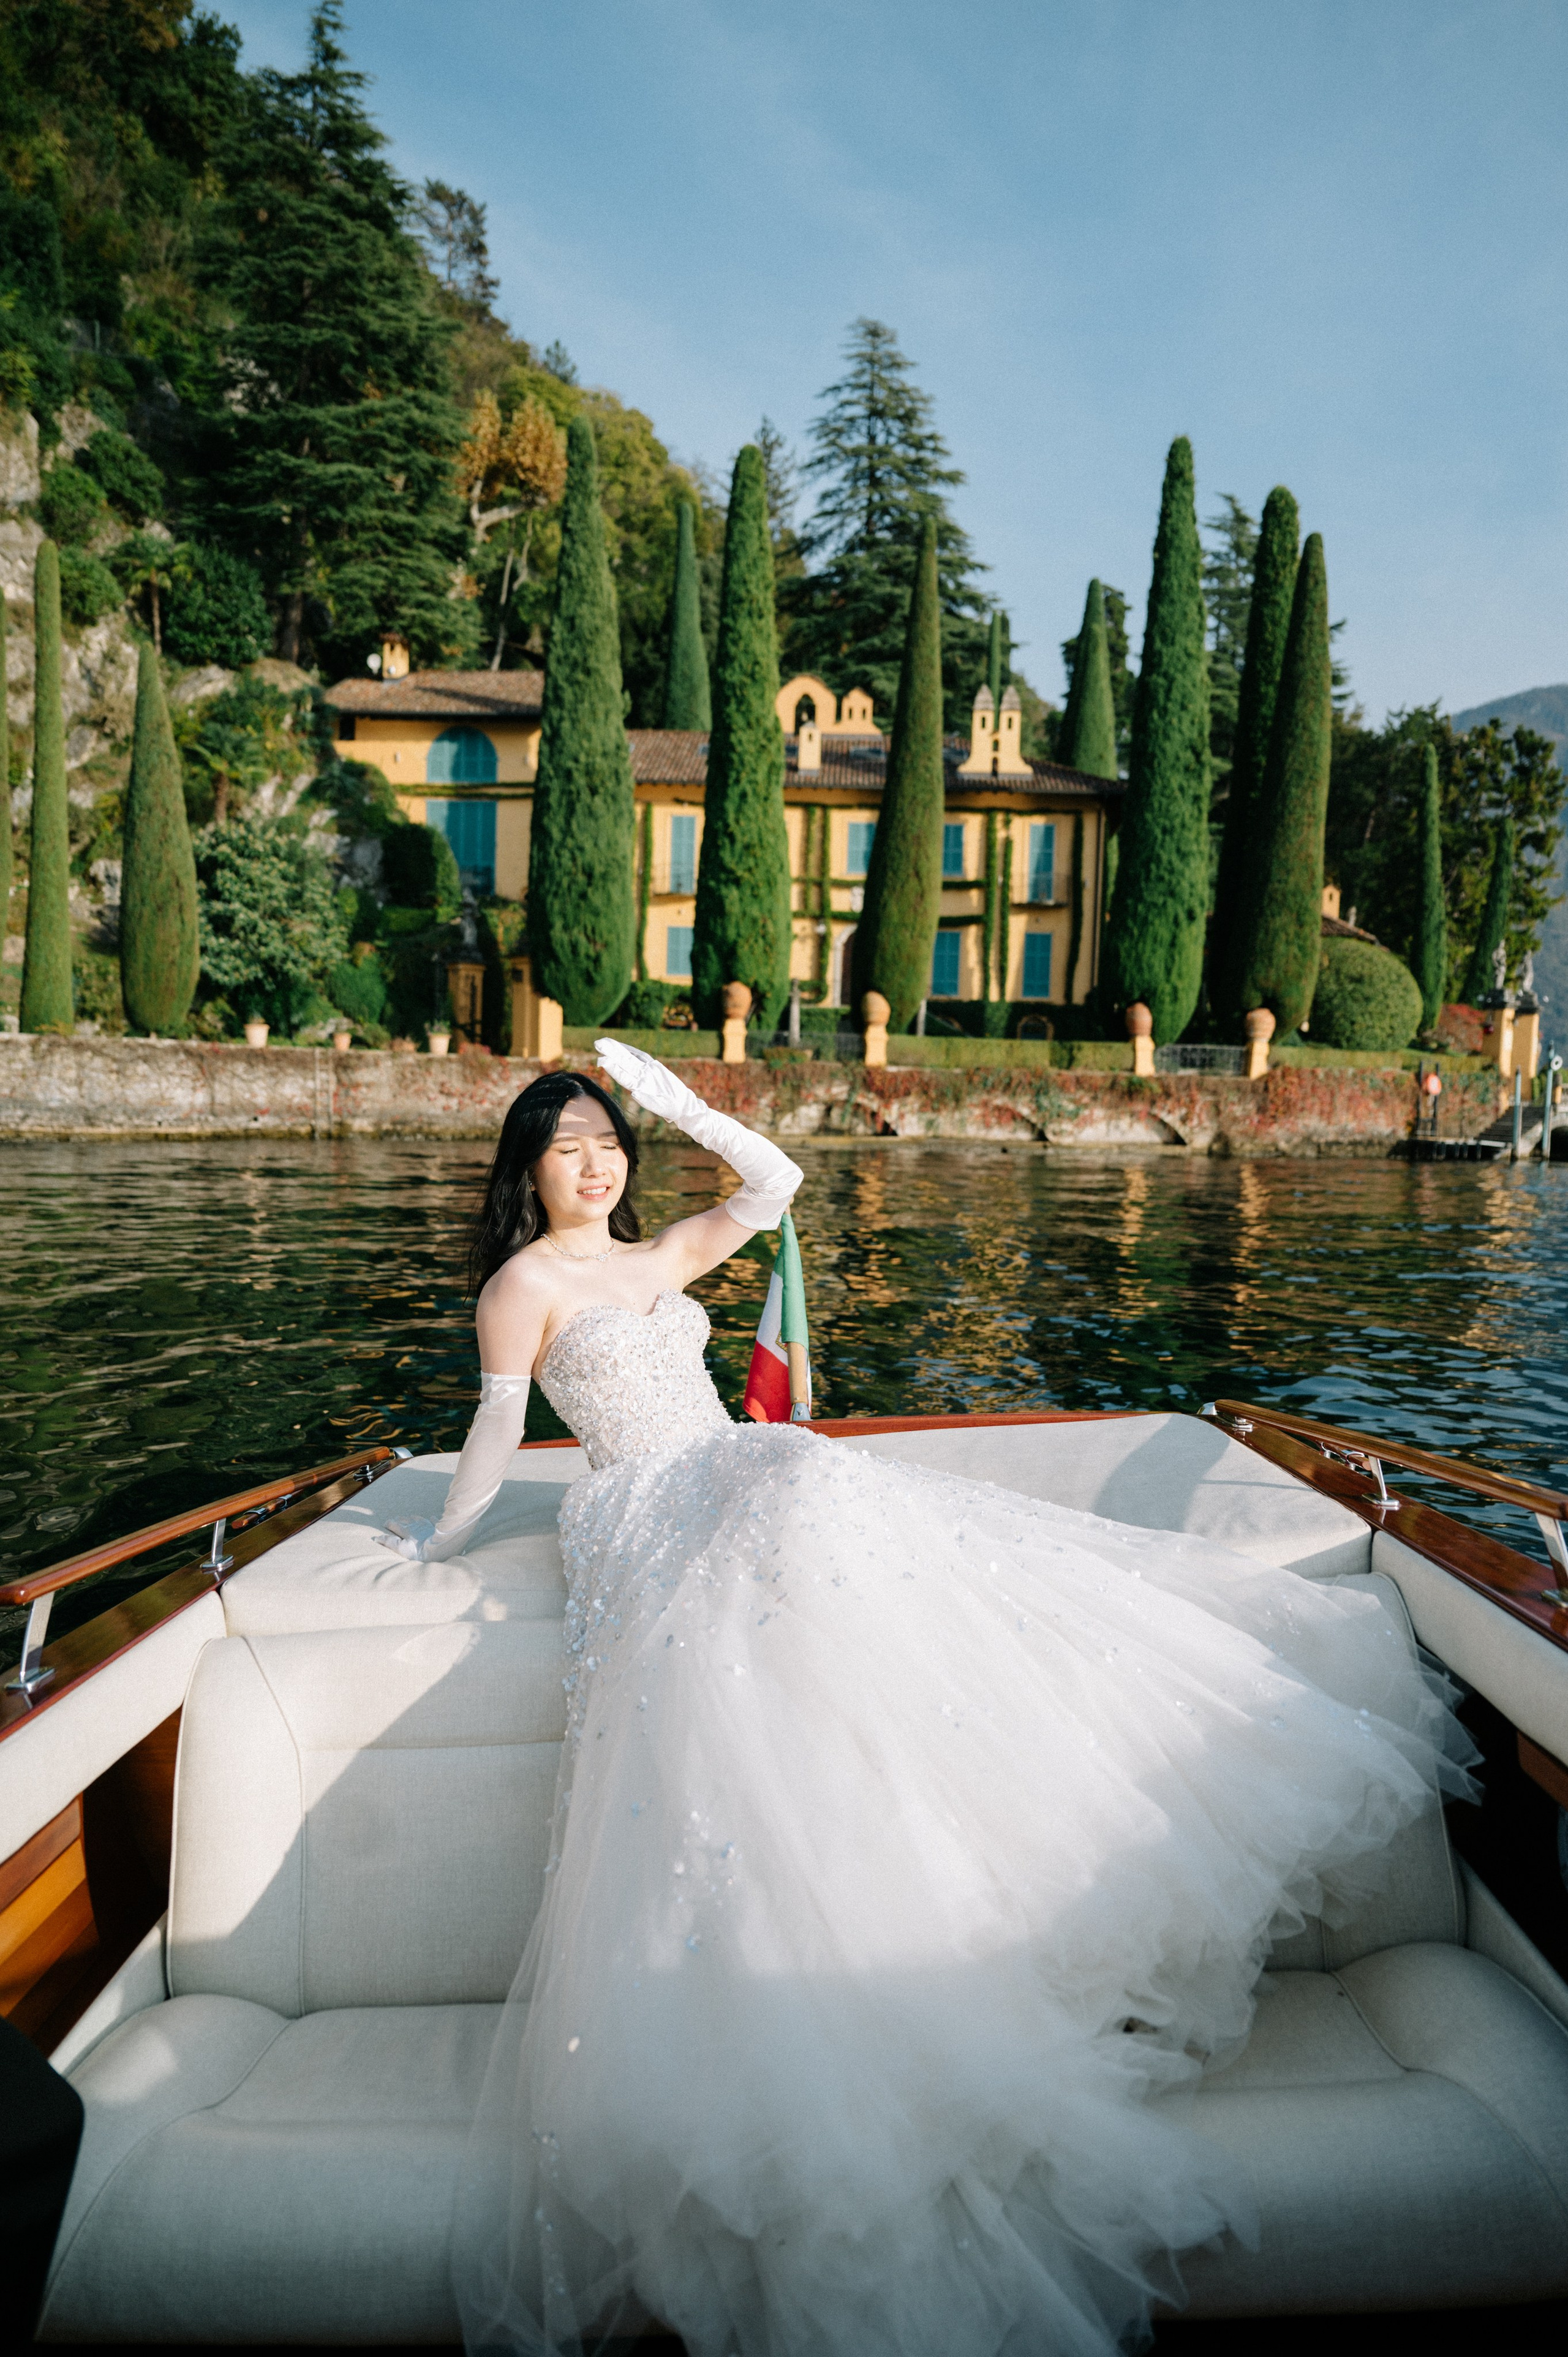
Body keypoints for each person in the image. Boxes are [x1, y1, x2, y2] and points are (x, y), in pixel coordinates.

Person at [380, 1045, 1469, 2357]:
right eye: (565, 1145)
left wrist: (683, 1105)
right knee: (796, 1485)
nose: (593, 1159)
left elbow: (774, 1180)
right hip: (638, 1507)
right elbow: (498, 1424)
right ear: (528, 1172)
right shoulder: (525, 1284)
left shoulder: (659, 1248)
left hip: (738, 1467)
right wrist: (445, 1538)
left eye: (607, 1136)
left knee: (809, 1483)